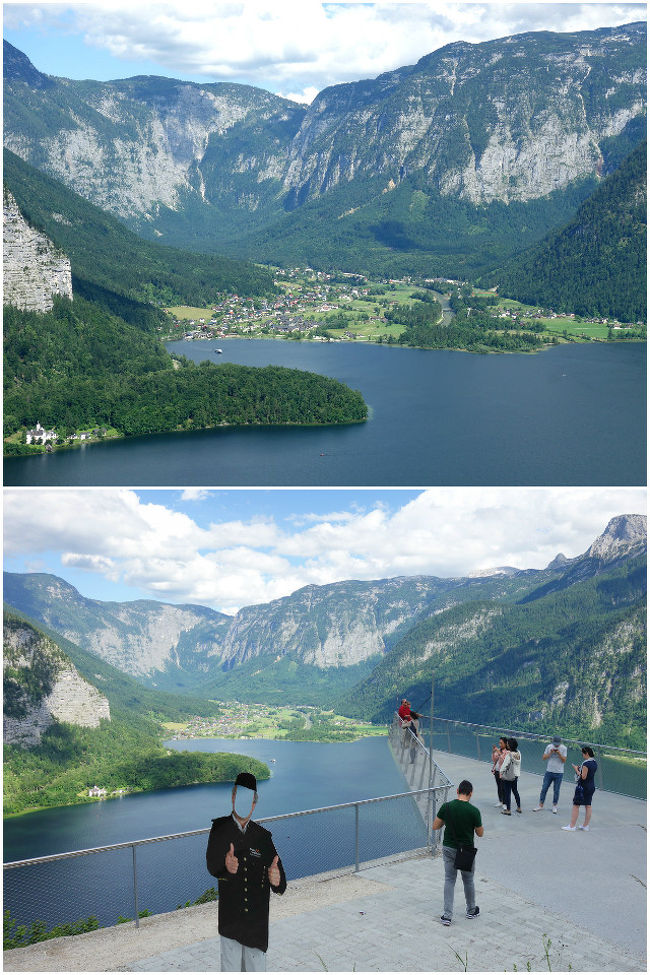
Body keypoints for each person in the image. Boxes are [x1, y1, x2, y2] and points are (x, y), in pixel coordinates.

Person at [206, 772, 287, 971]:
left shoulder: (263, 837)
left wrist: (276, 880)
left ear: (254, 803)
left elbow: (280, 880)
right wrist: (226, 867)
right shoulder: (219, 829)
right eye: (240, 796)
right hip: (231, 921)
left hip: (256, 925)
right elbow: (211, 864)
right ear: (233, 797)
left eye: (249, 799)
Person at [432, 779, 484, 926]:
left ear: (457, 791)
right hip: (466, 850)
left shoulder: (446, 807)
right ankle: (471, 910)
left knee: (449, 879)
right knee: (468, 880)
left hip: (449, 848)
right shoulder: (474, 811)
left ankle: (447, 916)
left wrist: (446, 821)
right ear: (471, 793)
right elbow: (480, 833)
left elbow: (435, 826)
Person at [562, 746, 598, 831]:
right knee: (588, 805)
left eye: (583, 754)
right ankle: (585, 826)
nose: (582, 755)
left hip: (583, 787)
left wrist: (576, 769)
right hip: (591, 786)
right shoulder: (594, 763)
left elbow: (583, 776)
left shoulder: (586, 764)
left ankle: (572, 826)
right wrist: (580, 769)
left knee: (576, 805)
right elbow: (589, 774)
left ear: (586, 754)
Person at [532, 735, 567, 814]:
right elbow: (544, 758)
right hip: (549, 771)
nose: (556, 746)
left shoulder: (564, 748)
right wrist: (550, 753)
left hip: (559, 772)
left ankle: (554, 806)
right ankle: (540, 805)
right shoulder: (549, 747)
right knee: (544, 788)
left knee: (556, 790)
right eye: (555, 744)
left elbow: (564, 760)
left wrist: (559, 754)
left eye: (557, 744)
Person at [499, 738, 522, 815]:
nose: (507, 744)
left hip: (509, 775)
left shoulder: (509, 755)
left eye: (508, 743)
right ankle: (519, 807)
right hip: (516, 775)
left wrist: (501, 772)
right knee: (515, 791)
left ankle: (508, 810)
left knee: (507, 792)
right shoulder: (518, 753)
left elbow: (504, 765)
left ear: (510, 745)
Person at [491, 737, 508, 808]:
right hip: (497, 771)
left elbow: (504, 759)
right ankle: (500, 801)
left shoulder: (507, 751)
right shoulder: (499, 750)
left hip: (503, 772)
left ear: (505, 743)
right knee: (499, 787)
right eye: (499, 743)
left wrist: (498, 752)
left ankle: (505, 803)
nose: (500, 744)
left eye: (501, 743)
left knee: (504, 787)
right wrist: (493, 752)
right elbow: (494, 760)